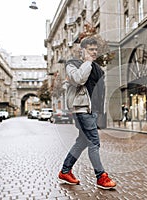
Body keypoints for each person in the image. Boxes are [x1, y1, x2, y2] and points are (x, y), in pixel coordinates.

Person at [58, 37, 116, 189]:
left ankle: (65, 171)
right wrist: (88, 62)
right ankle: (101, 176)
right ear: (82, 50)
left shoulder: (98, 69)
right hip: (82, 109)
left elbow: (100, 93)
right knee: (94, 143)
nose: (94, 52)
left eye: (96, 50)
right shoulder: (73, 64)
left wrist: (101, 113)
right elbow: (78, 80)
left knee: (83, 141)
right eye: (91, 49)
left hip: (92, 111)